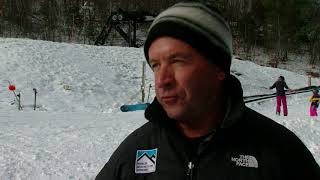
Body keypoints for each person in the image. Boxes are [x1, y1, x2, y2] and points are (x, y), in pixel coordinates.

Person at [96, 1, 320, 179]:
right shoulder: (135, 150)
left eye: (178, 61)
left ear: (218, 69)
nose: (162, 80)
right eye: (155, 65)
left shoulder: (280, 153)